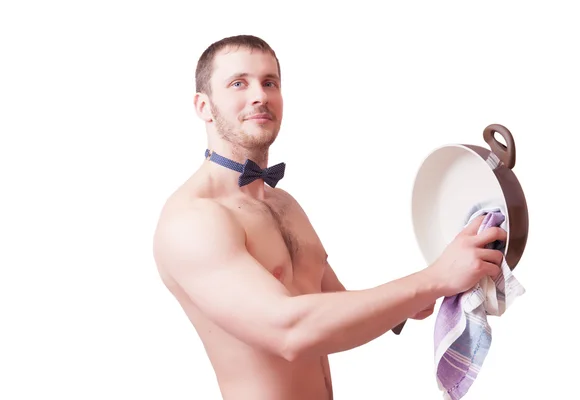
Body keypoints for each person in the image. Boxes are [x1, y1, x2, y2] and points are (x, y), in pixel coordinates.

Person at [152, 35, 507, 400]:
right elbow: (290, 330)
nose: (260, 95)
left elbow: (332, 303)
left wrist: (416, 295)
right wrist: (432, 279)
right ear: (204, 106)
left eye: (269, 82)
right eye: (238, 83)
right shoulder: (191, 220)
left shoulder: (284, 203)